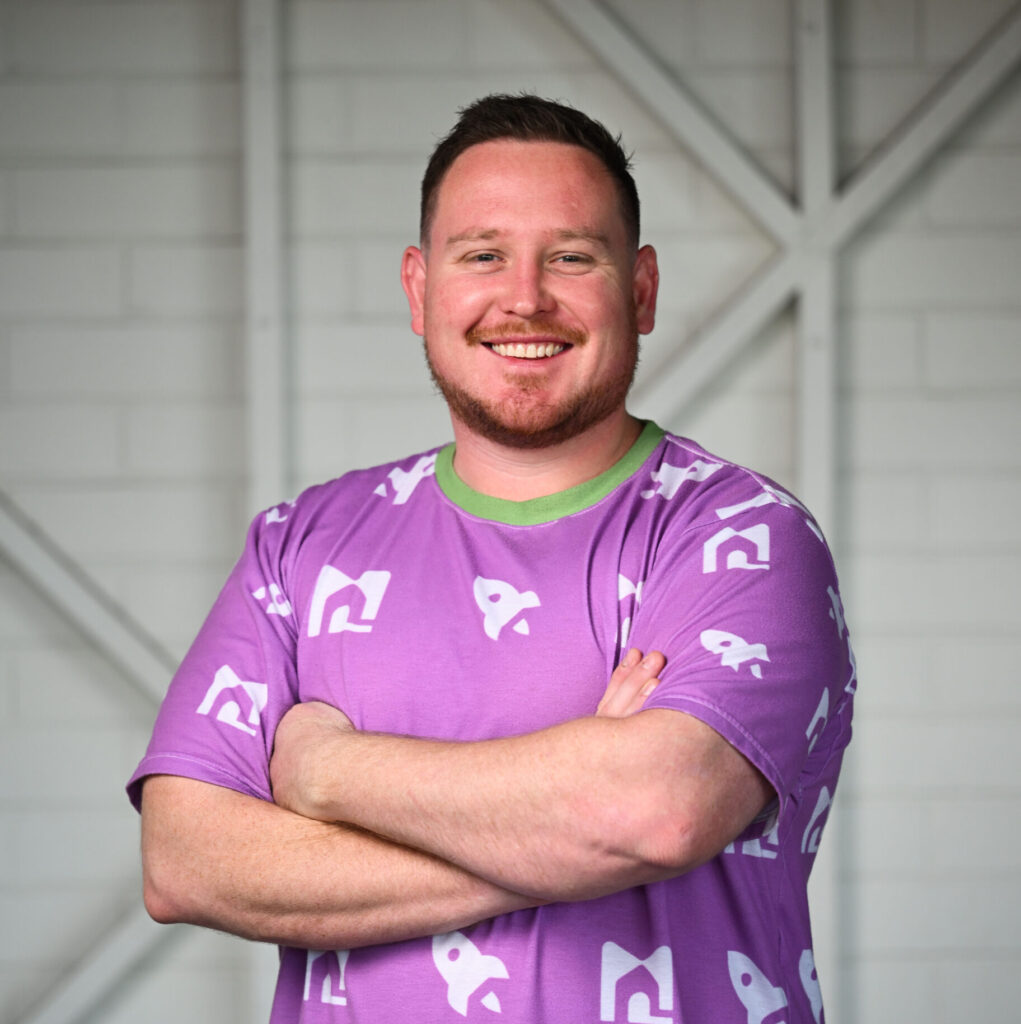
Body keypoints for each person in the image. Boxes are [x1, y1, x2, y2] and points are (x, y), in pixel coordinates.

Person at [129, 93, 855, 1023]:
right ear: (418, 288)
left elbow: (655, 813)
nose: (524, 297)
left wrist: (324, 774)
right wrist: (565, 831)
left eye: (570, 256)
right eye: (481, 255)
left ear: (639, 291)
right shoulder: (301, 546)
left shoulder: (738, 536)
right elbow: (185, 862)